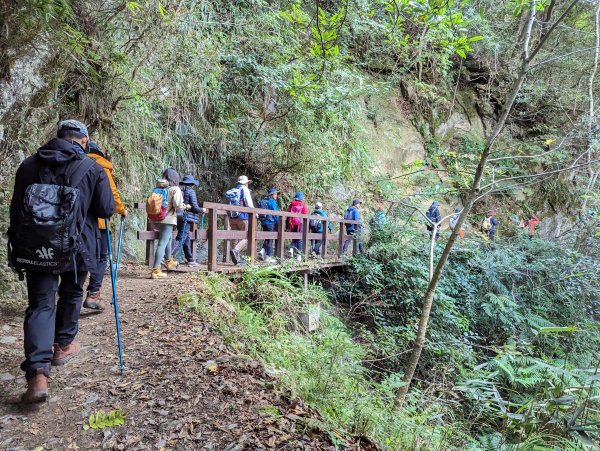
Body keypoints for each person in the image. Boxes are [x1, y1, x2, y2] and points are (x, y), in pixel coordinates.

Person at [8, 119, 115, 403]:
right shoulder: (92, 167)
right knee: (70, 293)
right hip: (77, 247)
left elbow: (16, 209)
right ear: (83, 140)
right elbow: (106, 209)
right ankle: (62, 345)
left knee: (41, 304)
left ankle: (38, 375)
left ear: (58, 137)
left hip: (37, 247)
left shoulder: (29, 165)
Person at [83, 142, 127, 311]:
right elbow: (112, 194)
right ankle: (93, 294)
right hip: (99, 222)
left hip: (77, 222)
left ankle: (69, 296)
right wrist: (122, 210)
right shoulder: (102, 167)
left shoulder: (74, 164)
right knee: (101, 257)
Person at [150, 168, 188, 279]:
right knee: (162, 243)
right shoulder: (175, 189)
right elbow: (177, 204)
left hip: (156, 219)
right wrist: (186, 206)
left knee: (168, 239)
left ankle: (169, 261)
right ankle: (156, 270)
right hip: (167, 220)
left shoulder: (158, 188)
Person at [174, 175, 204, 267]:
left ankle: (190, 260)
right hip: (186, 217)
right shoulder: (191, 191)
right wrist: (202, 210)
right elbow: (194, 207)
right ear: (192, 184)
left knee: (185, 238)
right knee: (181, 238)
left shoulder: (180, 191)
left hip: (178, 216)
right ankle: (166, 257)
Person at [229, 175, 255, 265]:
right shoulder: (245, 190)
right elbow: (249, 203)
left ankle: (236, 260)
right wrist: (255, 212)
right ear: (245, 183)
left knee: (235, 238)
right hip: (242, 217)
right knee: (247, 236)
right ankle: (235, 251)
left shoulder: (233, 190)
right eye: (247, 183)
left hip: (232, 217)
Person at [257, 187, 279, 263]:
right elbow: (276, 213)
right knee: (270, 239)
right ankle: (269, 257)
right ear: (271, 195)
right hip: (270, 222)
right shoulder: (272, 202)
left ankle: (262, 251)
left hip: (264, 223)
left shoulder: (263, 201)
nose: (276, 196)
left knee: (267, 238)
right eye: (275, 194)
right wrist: (278, 222)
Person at [287, 192, 309, 260]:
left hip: (292, 223)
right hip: (300, 224)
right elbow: (306, 214)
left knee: (294, 238)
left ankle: (291, 249)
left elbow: (288, 212)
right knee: (300, 239)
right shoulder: (303, 205)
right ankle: (298, 256)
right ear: (301, 198)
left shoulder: (291, 204)